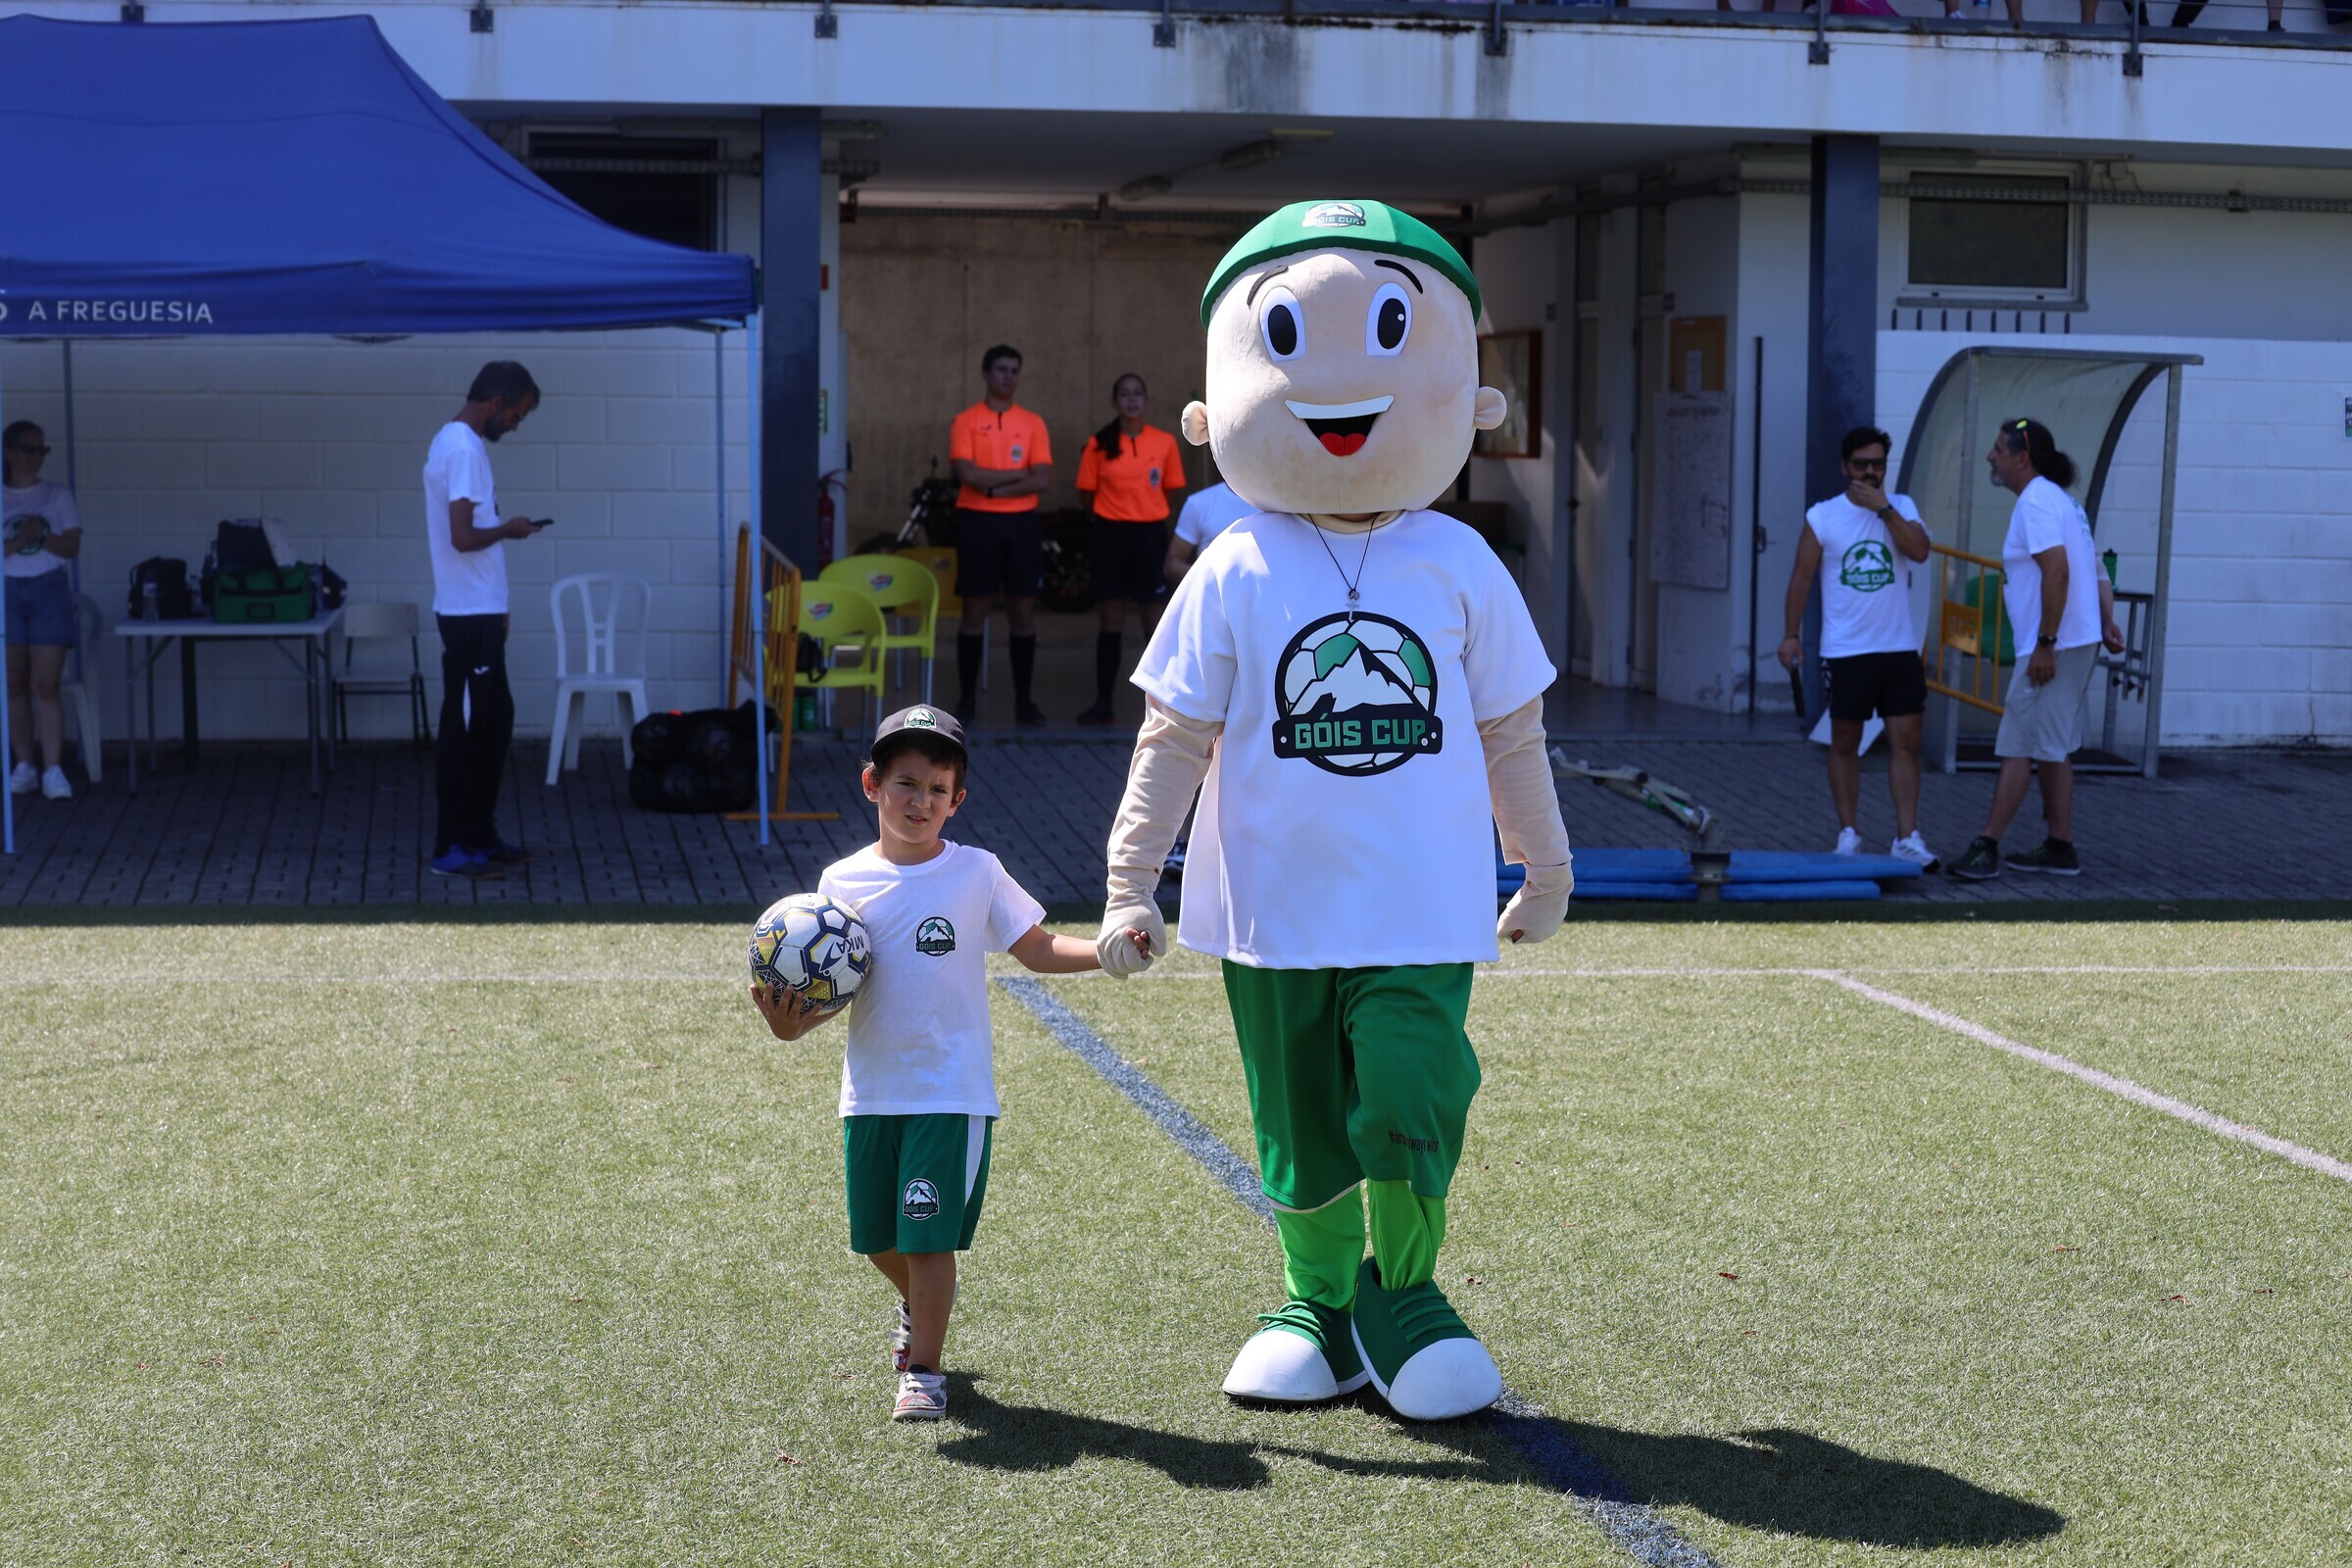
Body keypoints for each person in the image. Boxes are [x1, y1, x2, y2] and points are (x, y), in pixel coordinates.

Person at [1098, 201, 1573, 1424]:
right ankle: (1317, 1300)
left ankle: (1404, 1293)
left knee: (1412, 1091)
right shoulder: (1234, 562)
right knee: (1299, 1119)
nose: (1343, 389)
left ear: (1472, 397)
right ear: (1214, 407)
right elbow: (1174, 734)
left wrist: (1545, 863)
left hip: (1423, 903)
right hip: (1272, 910)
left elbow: (1511, 729)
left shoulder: (1458, 560)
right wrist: (1128, 881)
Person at [751, 704, 1145, 1422]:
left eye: (937, 789)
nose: (920, 800)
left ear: (957, 800)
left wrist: (1105, 954)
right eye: (906, 782)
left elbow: (1036, 947)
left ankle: (925, 1371)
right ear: (872, 784)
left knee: (927, 1238)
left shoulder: (976, 872)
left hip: (950, 1091)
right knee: (877, 1239)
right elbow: (836, 988)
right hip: (872, 1091)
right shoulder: (841, 883)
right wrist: (791, 1028)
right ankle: (919, 1305)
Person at [1949, 419, 2126, 881]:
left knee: (2018, 744)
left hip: (2054, 645)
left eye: (1998, 449)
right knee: (2053, 746)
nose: (1990, 457)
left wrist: (2046, 643)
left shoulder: (2036, 501)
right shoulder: (2063, 501)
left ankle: (1986, 846)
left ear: (2022, 458)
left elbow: (2058, 571)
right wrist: (2105, 622)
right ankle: (2059, 847)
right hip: (2075, 640)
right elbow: (2097, 572)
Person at [1778, 426, 1938, 869]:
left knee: (1907, 741)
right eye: (1861, 464)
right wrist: (1791, 634)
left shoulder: (1902, 507)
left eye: (1878, 465)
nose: (1870, 472)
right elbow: (1801, 578)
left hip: (1898, 646)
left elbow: (1920, 552)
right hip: (1847, 649)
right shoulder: (1824, 516)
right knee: (1845, 740)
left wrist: (1884, 509)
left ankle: (1907, 838)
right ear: (1845, 467)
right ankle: (1848, 834)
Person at [423, 362, 547, 879]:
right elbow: (463, 537)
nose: (514, 427)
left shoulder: (454, 443)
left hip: (480, 611)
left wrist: (501, 607)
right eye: (516, 416)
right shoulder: (464, 449)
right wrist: (510, 529)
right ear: (496, 402)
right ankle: (451, 847)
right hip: (469, 615)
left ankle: (479, 835)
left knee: (493, 721)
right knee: (466, 729)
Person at [948, 346, 1054, 727]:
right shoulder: (965, 421)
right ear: (986, 374)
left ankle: (1024, 701)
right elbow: (966, 474)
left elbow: (1041, 479)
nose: (1008, 377)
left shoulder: (1033, 423)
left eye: (1014, 371)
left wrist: (991, 485)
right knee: (974, 611)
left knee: (1022, 612)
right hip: (977, 522)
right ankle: (966, 700)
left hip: (1021, 523)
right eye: (1002, 370)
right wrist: (1017, 476)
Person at [1075, 374, 1187, 725]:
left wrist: (1143, 510)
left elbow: (1169, 490)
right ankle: (1103, 702)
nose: (1132, 400)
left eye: (1138, 393)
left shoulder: (1165, 442)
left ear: (1146, 400)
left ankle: (1162, 705)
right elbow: (1086, 494)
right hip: (1109, 535)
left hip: (1149, 534)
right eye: (1124, 394)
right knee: (1110, 618)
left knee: (1154, 619)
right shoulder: (1098, 443)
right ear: (1115, 402)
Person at [3, 420, 83, 802]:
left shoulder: (57, 495)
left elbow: (72, 548)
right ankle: (24, 763)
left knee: (46, 685)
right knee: (14, 684)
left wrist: (42, 536)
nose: (36, 457)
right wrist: (21, 539)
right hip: (7, 591)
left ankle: (53, 767)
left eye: (42, 450)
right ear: (8, 453)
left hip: (48, 589)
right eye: (28, 449)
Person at [1162, 479, 1256, 588]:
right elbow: (1172, 564)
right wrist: (1209, 580)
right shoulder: (1200, 503)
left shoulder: (1273, 503)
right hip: (1214, 596)